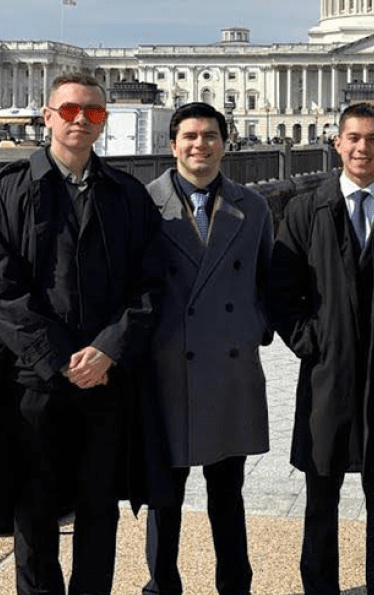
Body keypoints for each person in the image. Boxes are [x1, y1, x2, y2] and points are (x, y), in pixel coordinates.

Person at [0, 72, 163, 595]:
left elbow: (152, 284)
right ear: (48, 115)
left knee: (100, 510)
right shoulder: (6, 190)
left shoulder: (127, 195)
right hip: (33, 381)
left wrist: (107, 350)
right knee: (33, 513)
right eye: (72, 110)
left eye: (95, 113)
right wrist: (61, 358)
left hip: (104, 381)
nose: (82, 119)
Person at [271, 102, 374, 595]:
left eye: (372, 139)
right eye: (354, 138)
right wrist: (312, 343)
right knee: (321, 497)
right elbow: (282, 292)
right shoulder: (305, 210)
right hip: (328, 373)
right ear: (337, 143)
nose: (362, 147)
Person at [141, 102, 275, 595]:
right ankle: (162, 584)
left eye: (211, 136)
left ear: (226, 141)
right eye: (191, 136)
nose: (201, 145)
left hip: (229, 366)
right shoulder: (142, 203)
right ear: (173, 144)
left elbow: (266, 278)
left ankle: (235, 585)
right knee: (164, 496)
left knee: (228, 495)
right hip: (167, 368)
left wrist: (252, 328)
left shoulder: (253, 206)